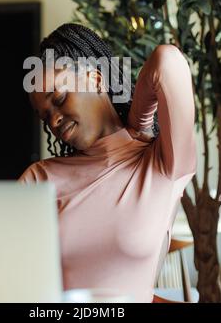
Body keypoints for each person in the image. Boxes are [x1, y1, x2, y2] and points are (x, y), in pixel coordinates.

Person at [19, 23, 197, 303]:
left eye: (61, 98)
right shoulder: (40, 179)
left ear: (96, 80)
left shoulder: (162, 163)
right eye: (45, 116)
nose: (54, 120)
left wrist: (139, 124)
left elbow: (168, 61)